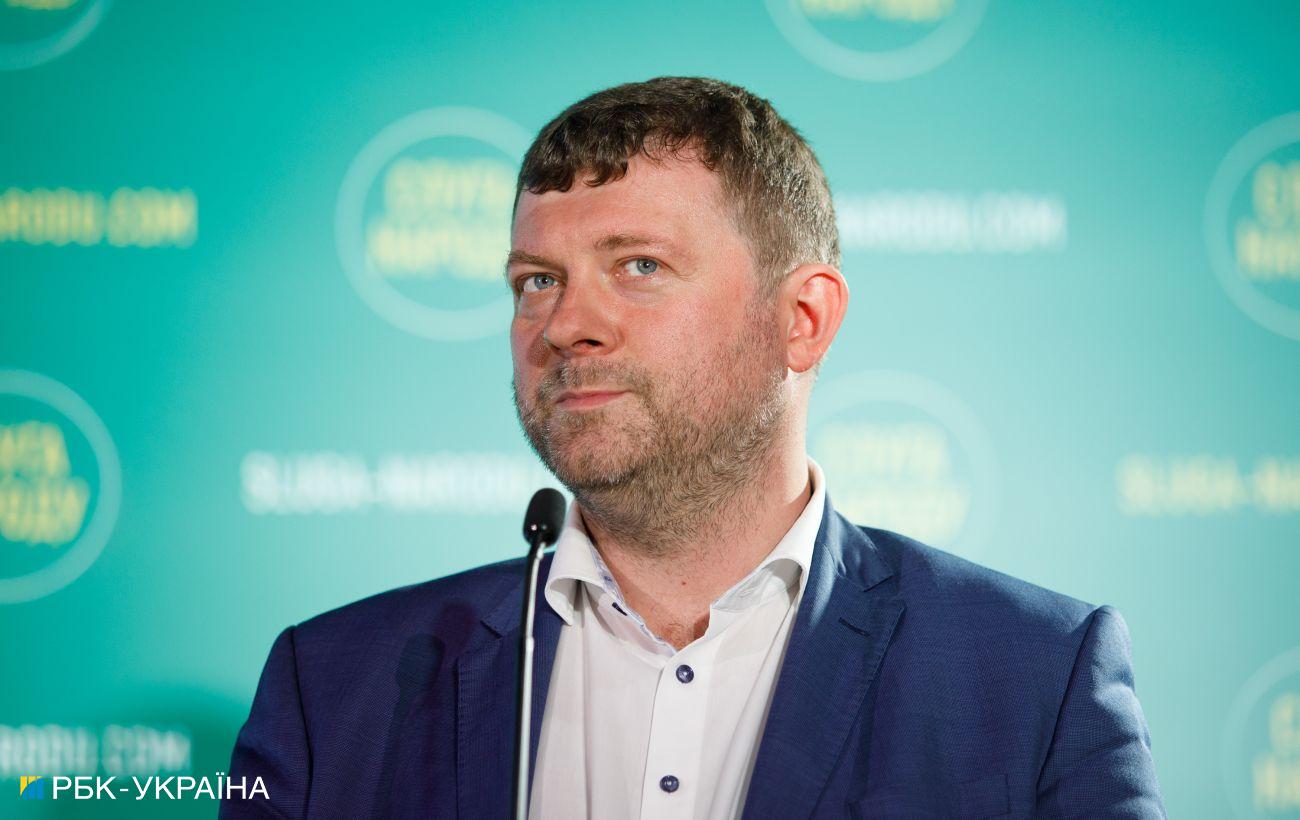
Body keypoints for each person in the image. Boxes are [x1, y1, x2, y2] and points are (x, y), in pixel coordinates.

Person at [221, 76, 1166, 819]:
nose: (565, 324)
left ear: (802, 320)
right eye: (537, 280)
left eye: (639, 266)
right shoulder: (331, 687)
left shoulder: (1035, 679)